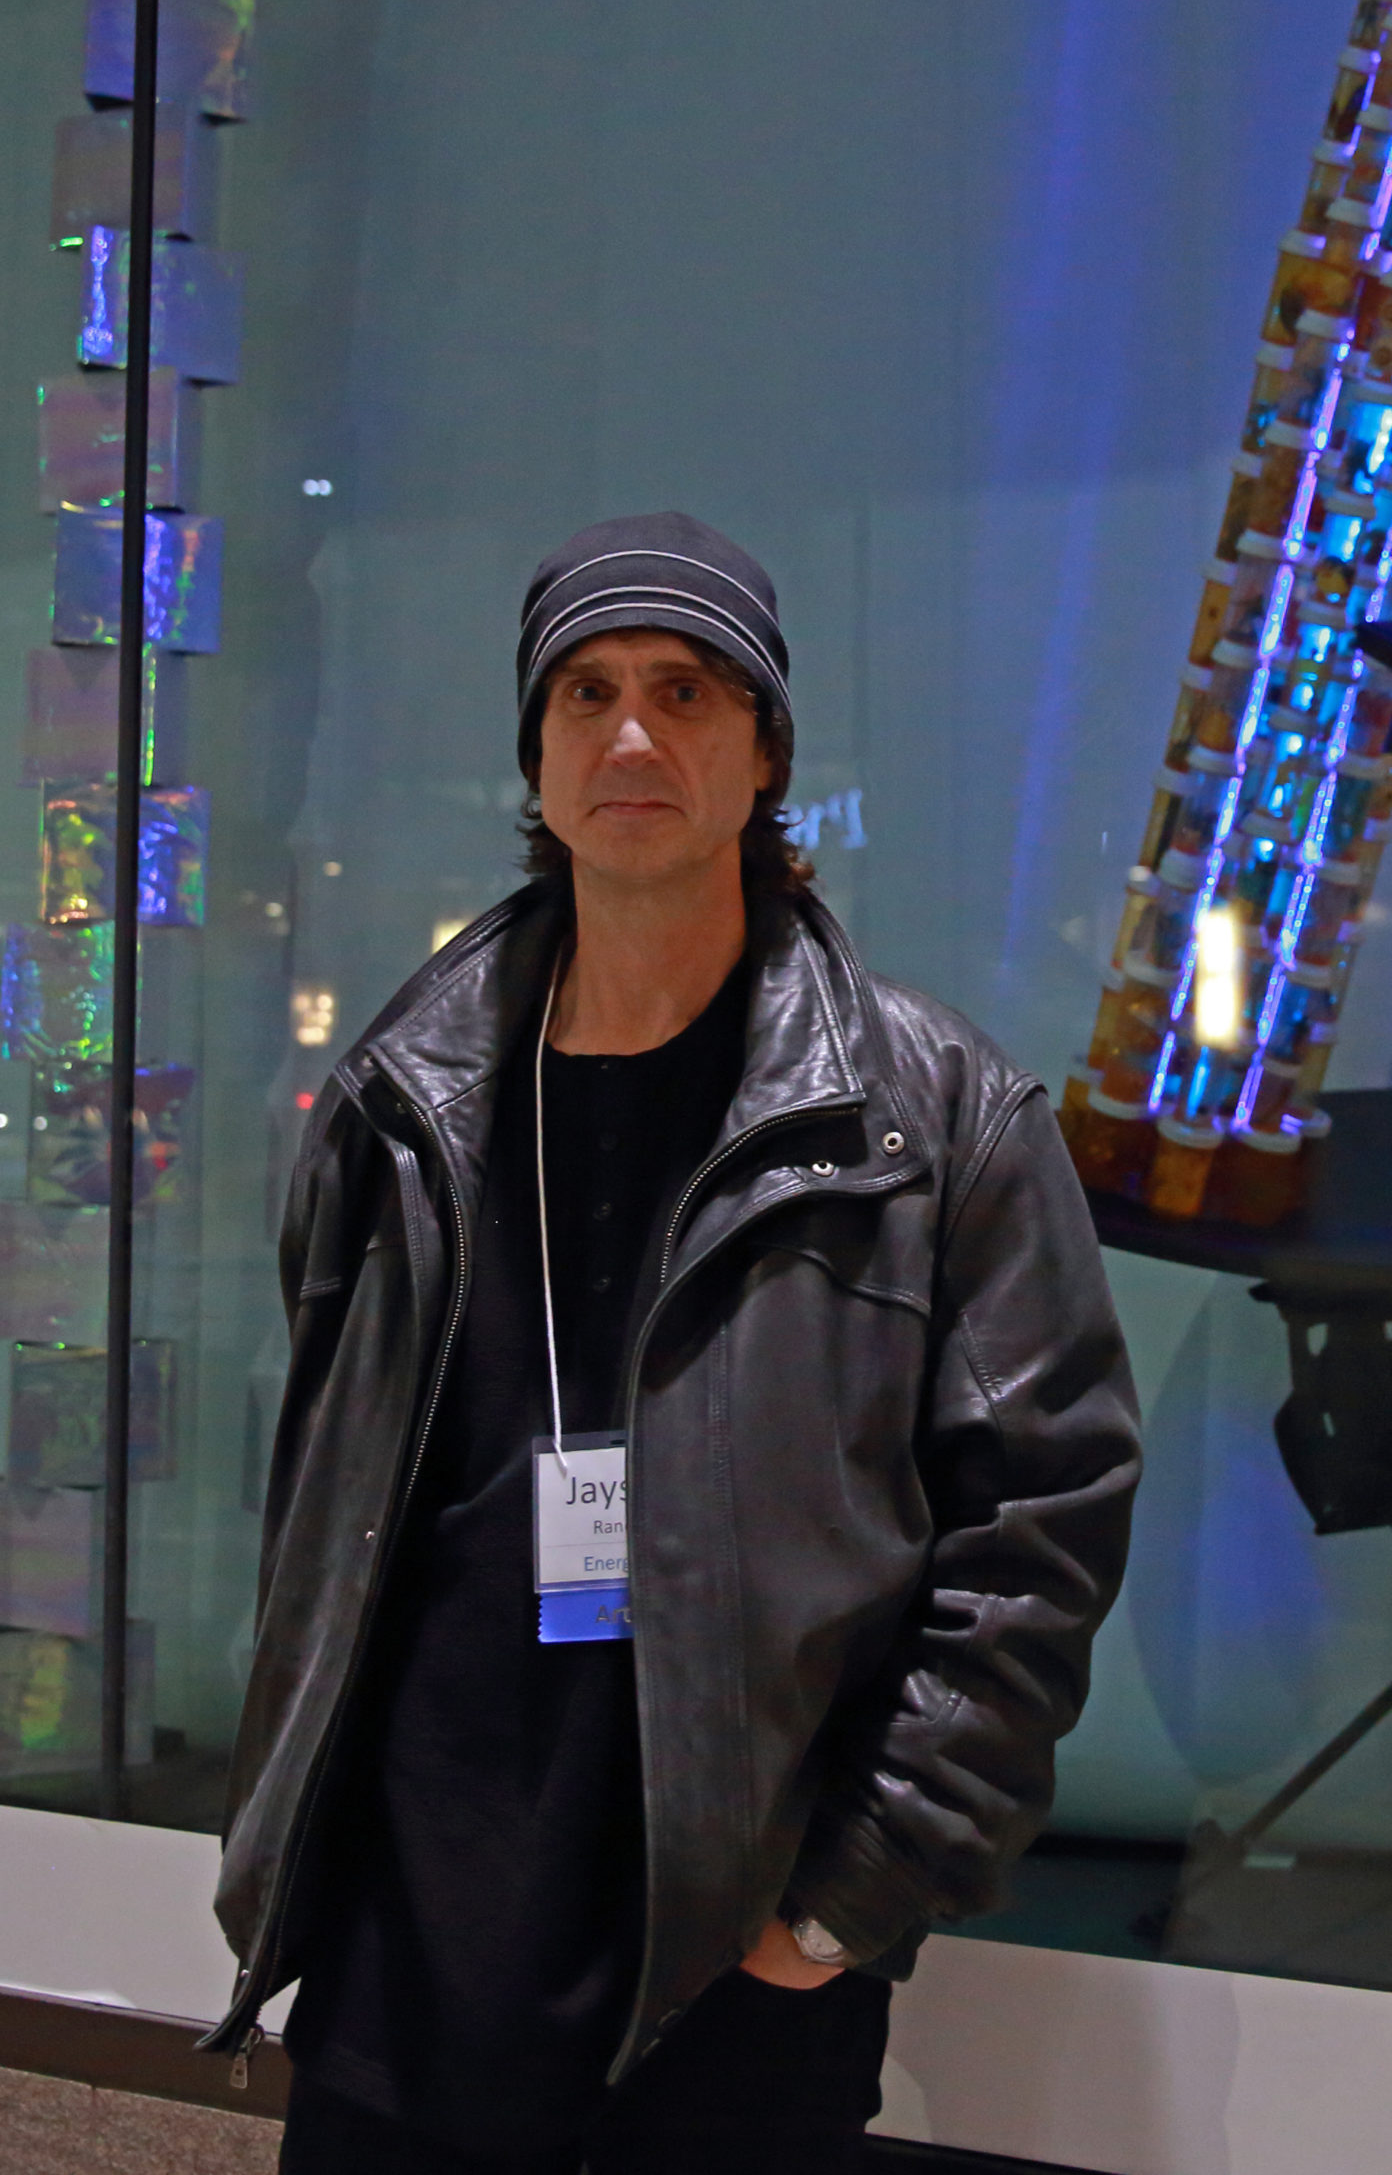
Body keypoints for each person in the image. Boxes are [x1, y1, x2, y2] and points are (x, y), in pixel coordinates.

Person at [208, 511, 1141, 2174]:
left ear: (764, 750)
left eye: (686, 690)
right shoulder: (400, 1102)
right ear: (538, 751)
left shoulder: (933, 1123)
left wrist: (839, 1912)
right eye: (587, 692)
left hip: (726, 1974)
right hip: (402, 1947)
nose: (631, 734)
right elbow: (327, 1499)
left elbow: (1040, 1539)